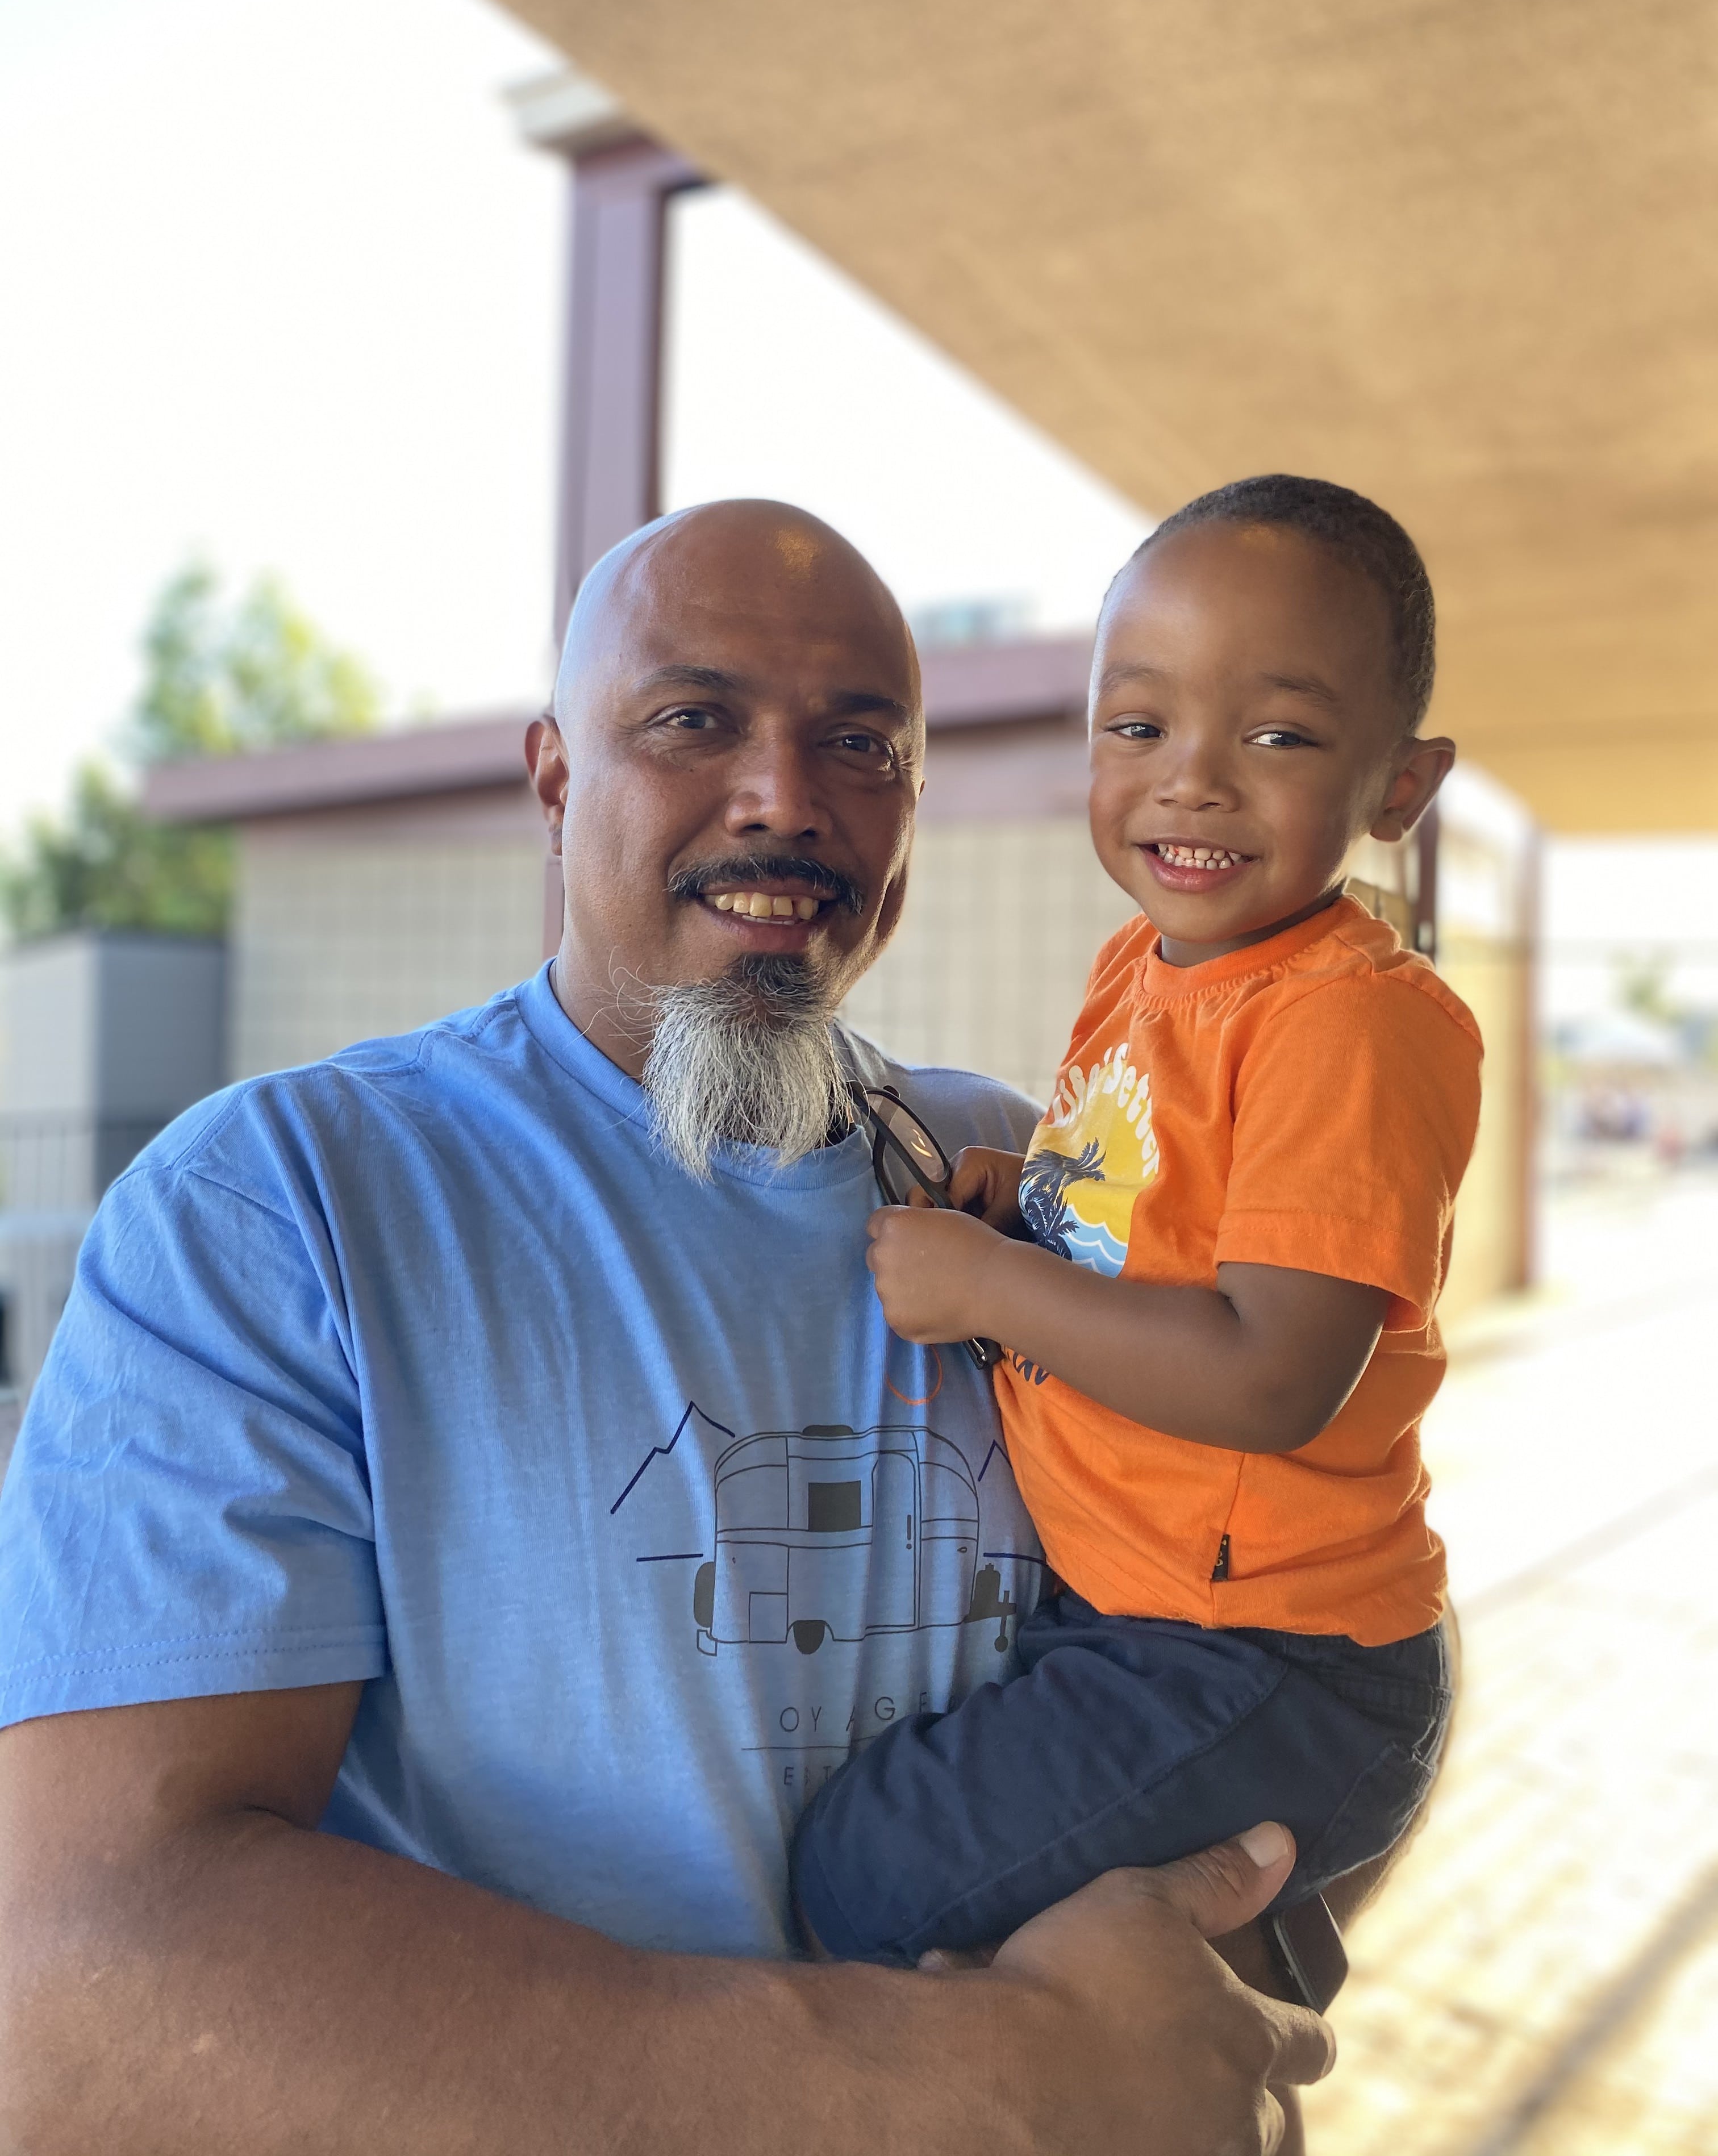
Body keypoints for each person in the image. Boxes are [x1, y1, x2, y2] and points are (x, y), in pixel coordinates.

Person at [0, 500, 1335, 2155]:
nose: (785, 798)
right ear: (559, 781)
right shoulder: (287, 1208)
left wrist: (1210, 1989)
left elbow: (1262, 1624)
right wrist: (986, 2084)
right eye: (695, 722)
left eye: (861, 742)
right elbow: (81, 1991)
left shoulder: (1030, 1183)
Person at [794, 477, 1481, 1965]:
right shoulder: (1147, 965)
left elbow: (1270, 1373)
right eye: (1141, 726)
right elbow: (1149, 1207)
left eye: (1280, 735)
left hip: (1260, 1655)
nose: (1194, 781)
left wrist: (991, 1289)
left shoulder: (1349, 1021)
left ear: (1399, 788)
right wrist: (1029, 1209)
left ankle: (1244, 1979)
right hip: (1136, 1600)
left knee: (867, 1877)